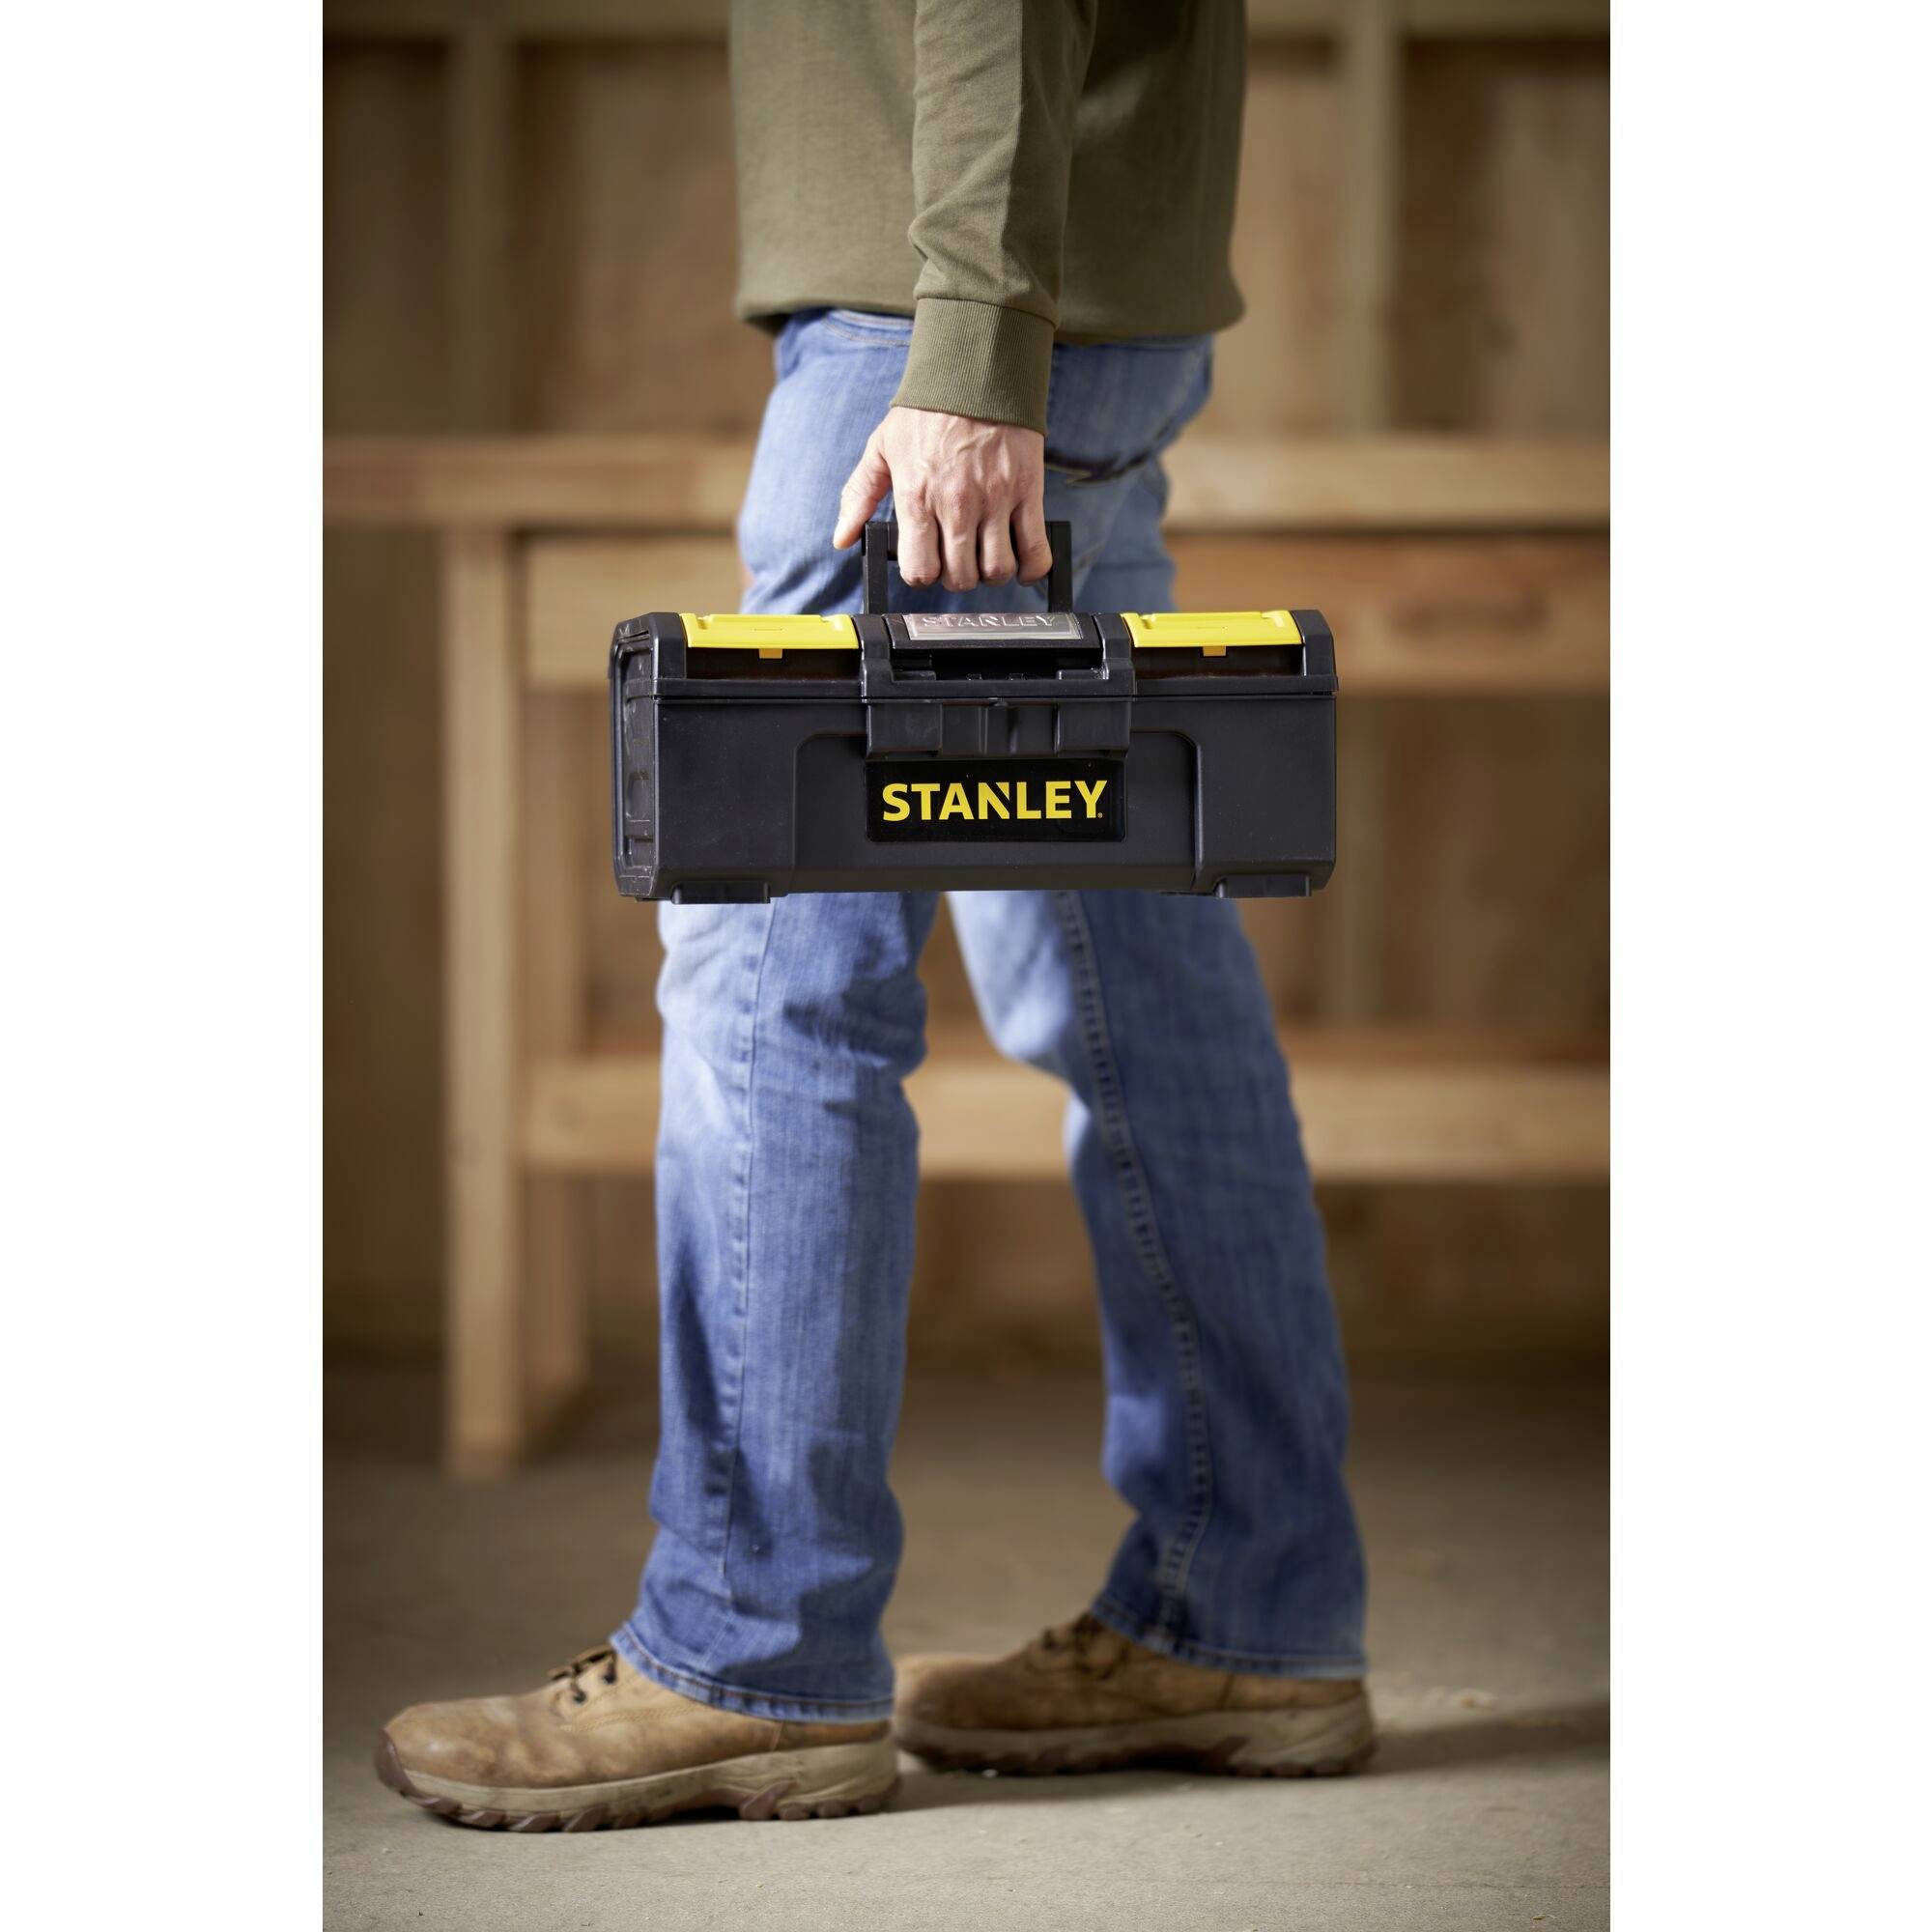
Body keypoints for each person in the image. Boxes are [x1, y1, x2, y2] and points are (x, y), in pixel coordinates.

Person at [376, 0, 1371, 1833]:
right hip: (1084, 302)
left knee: (779, 962)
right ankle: (1250, 1605)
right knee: (1131, 967)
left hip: (939, 332)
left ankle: (748, 1646)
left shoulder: (960, 334)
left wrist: (971, 345)